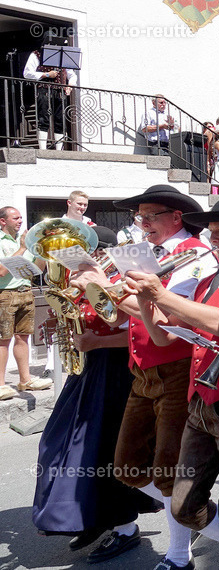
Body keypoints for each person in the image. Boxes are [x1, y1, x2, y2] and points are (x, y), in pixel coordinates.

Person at [125, 196, 219, 570]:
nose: (213, 240)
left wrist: (160, 294)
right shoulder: (209, 276)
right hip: (202, 395)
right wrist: (147, 303)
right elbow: (165, 339)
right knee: (182, 505)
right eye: (210, 232)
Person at [69, 185, 217, 569]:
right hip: (142, 368)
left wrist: (102, 285)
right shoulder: (144, 252)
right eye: (141, 216)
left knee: (168, 474)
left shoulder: (195, 255)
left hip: (178, 369)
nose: (143, 222)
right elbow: (118, 314)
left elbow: (165, 322)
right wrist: (90, 290)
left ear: (176, 217)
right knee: (128, 466)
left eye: (151, 215)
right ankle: (202, 516)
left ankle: (182, 551)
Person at [32, 226, 157, 560]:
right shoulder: (78, 278)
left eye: (73, 251)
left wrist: (98, 341)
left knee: (102, 447)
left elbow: (140, 327)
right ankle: (93, 515)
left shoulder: (117, 277)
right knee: (61, 444)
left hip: (117, 369)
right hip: (90, 368)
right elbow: (82, 318)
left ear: (97, 251)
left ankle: (124, 527)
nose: (65, 259)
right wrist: (60, 322)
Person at [0, 206, 53, 400]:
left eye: (21, 217)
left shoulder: (25, 241)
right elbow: (1, 271)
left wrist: (42, 252)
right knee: (3, 340)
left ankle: (25, 379)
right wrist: (22, 248)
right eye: (15, 218)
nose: (20, 221)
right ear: (3, 221)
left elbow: (36, 271)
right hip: (4, 293)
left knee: (23, 337)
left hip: (25, 291)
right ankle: (1, 384)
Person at [23, 35, 78, 150]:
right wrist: (46, 75)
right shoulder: (37, 54)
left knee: (60, 120)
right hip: (44, 89)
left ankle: (59, 150)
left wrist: (70, 85)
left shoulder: (64, 57)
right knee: (43, 118)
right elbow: (27, 73)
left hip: (60, 91)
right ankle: (43, 149)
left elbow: (72, 75)